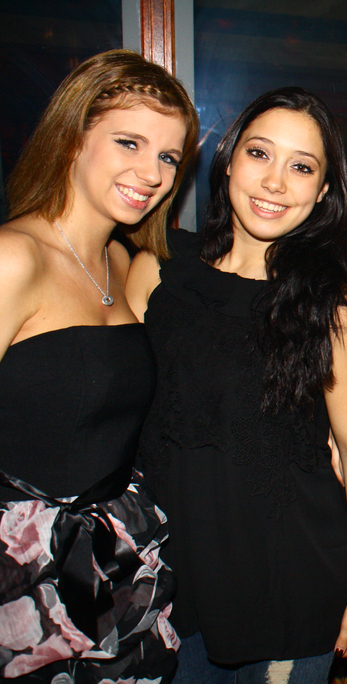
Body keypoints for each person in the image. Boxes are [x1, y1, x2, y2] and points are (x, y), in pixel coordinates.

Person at [125, 88, 347, 682]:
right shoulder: (158, 272)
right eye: (260, 153)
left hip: (291, 590)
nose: (275, 182)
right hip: (169, 587)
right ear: (228, 160)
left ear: (323, 191)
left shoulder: (331, 309)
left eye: (302, 167)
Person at [0, 49, 197, 682]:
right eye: (129, 143)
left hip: (118, 568)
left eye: (169, 157)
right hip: (24, 578)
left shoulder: (122, 261)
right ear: (71, 138)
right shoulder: (14, 257)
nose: (153, 173)